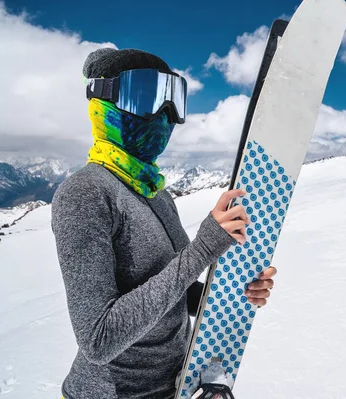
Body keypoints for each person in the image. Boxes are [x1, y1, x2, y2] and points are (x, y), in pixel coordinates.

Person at [51, 48, 276, 399]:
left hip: (174, 386)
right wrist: (202, 249)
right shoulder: (85, 193)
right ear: (102, 103)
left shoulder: (155, 191)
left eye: (173, 100)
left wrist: (227, 295)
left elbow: (174, 290)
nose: (163, 114)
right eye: (143, 95)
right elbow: (98, 339)